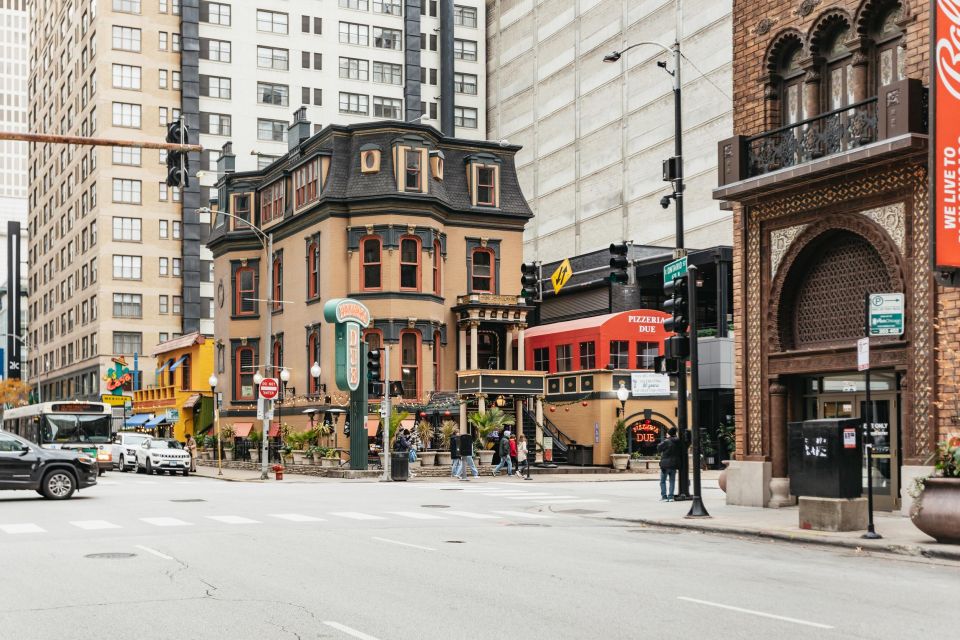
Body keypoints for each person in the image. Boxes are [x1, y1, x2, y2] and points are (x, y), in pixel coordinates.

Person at [657, 427, 681, 502]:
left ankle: (664, 497)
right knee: (672, 481)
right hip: (674, 464)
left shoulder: (667, 441)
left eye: (667, 433)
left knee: (662, 481)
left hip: (665, 465)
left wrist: (666, 440)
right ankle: (671, 497)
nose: (666, 434)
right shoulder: (678, 441)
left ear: (670, 434)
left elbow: (658, 448)